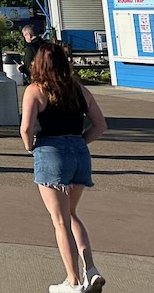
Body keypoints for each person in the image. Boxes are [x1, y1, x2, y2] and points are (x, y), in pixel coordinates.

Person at [21, 41, 108, 293]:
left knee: (60, 221)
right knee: (71, 215)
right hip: (80, 153)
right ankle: (90, 269)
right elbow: (100, 125)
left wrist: (30, 147)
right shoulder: (78, 89)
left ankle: (73, 281)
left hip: (51, 152)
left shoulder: (35, 90)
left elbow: (26, 128)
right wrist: (80, 142)